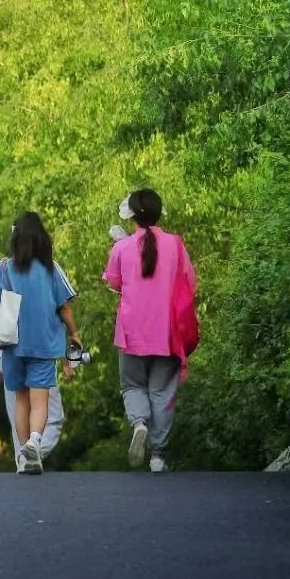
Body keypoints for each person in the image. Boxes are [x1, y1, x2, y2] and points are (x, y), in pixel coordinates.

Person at [102, 187, 196, 473]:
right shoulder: (176, 244)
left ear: (131, 216)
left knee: (132, 385)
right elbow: (190, 282)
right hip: (168, 332)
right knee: (162, 392)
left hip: (131, 332)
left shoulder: (121, 247)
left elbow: (114, 283)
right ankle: (158, 456)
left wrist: (121, 246)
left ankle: (139, 422)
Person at [0, 211, 82, 475]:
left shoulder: (4, 269)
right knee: (40, 400)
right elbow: (65, 307)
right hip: (44, 345)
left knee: (21, 401)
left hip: (13, 345)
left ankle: (25, 457)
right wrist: (74, 334)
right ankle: (35, 443)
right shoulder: (51, 269)